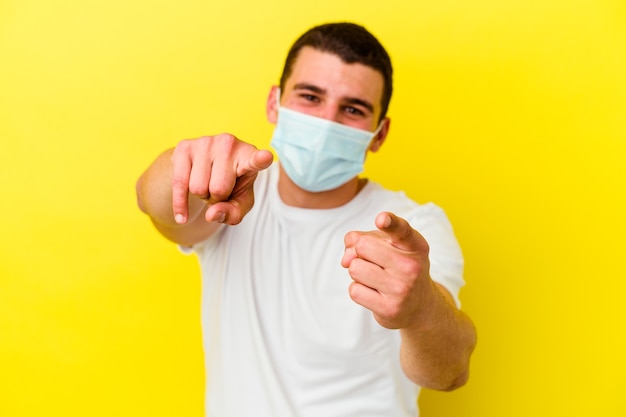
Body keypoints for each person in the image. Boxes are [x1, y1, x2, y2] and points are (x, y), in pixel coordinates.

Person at [136, 22, 476, 417]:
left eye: (352, 109)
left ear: (378, 135)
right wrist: (187, 167)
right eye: (310, 97)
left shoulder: (416, 227)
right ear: (273, 104)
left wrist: (420, 309)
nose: (327, 123)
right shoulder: (230, 199)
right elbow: (155, 202)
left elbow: (448, 372)